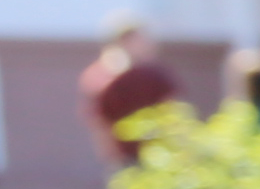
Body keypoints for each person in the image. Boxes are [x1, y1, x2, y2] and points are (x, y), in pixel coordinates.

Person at [76, 15, 182, 173]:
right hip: (125, 158)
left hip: (159, 155)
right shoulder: (103, 76)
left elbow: (171, 111)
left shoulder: (155, 74)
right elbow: (99, 119)